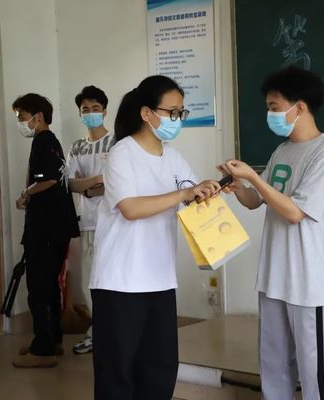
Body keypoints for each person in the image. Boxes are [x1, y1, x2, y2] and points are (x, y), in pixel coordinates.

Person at [218, 66, 324, 400]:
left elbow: (294, 212)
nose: (270, 114)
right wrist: (239, 185)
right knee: (273, 366)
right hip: (275, 277)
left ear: (299, 107)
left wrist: (253, 177)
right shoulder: (282, 151)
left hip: (311, 284)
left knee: (316, 371)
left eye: (274, 107)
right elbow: (255, 201)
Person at [89, 75, 220, 399]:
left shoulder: (173, 157)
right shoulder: (122, 153)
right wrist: (184, 194)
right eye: (172, 112)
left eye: (181, 113)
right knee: (118, 372)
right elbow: (131, 208)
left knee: (160, 368)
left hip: (159, 279)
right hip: (120, 282)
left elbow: (191, 196)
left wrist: (210, 190)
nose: (178, 119)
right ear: (146, 113)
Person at [11, 93, 80, 368]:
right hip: (55, 227)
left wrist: (26, 194)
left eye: (22, 116)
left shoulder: (44, 141)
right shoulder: (50, 141)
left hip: (47, 229)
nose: (20, 121)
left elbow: (49, 179)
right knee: (50, 286)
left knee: (39, 288)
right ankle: (52, 341)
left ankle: (43, 350)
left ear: (37, 116)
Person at [66, 85, 115, 355]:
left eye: (96, 108)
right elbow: (70, 183)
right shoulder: (77, 147)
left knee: (112, 280)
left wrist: (89, 185)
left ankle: (110, 333)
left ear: (105, 111)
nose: (91, 113)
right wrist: (94, 181)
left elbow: (114, 183)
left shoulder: (117, 142)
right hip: (87, 221)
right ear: (79, 113)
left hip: (114, 221)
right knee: (90, 280)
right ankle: (96, 332)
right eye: (86, 109)